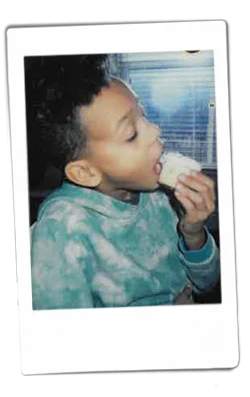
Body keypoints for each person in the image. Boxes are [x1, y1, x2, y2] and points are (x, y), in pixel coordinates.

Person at [27, 54, 220, 310]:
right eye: (131, 134)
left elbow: (206, 284)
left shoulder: (159, 195)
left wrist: (193, 233)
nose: (155, 131)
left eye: (144, 115)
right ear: (85, 172)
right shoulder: (61, 233)